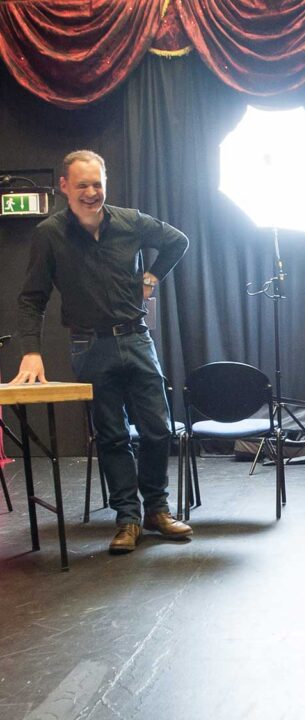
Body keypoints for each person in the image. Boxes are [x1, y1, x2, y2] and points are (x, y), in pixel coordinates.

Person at [14, 150, 190, 554]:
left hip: (136, 337)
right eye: (82, 186)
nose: (91, 193)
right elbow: (31, 299)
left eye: (97, 184)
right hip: (88, 345)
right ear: (63, 187)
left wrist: (152, 275)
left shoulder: (130, 221)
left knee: (157, 429)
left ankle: (156, 511)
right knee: (111, 435)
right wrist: (31, 352)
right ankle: (128, 518)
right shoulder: (49, 234)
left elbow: (177, 241)